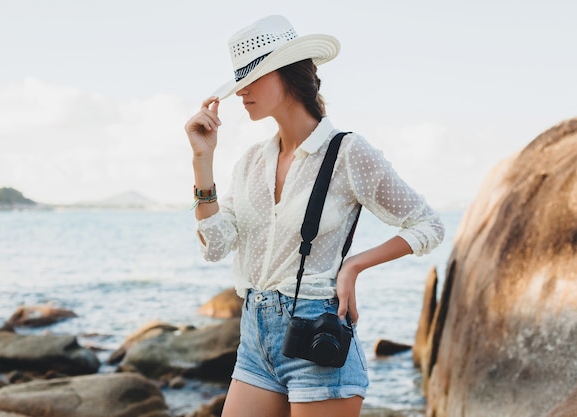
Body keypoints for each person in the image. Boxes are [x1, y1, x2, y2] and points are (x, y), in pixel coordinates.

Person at [184, 15, 444, 417]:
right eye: (239, 83)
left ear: (286, 73)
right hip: (255, 339)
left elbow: (428, 225)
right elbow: (216, 245)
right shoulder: (252, 161)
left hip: (318, 334)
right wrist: (203, 160)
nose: (242, 93)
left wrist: (354, 266)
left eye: (252, 79)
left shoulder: (347, 153)